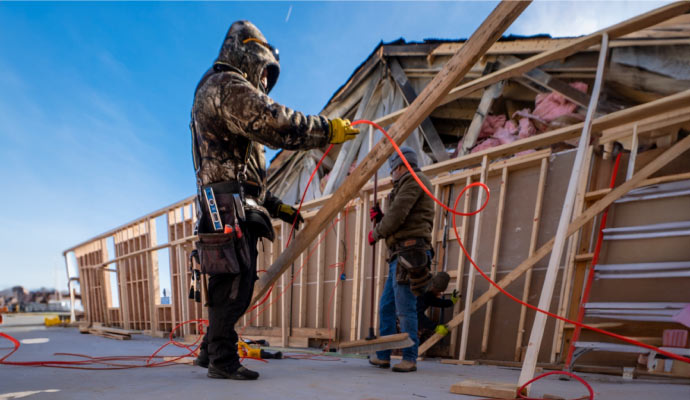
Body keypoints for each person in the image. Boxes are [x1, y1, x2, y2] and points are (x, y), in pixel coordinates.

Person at [190, 20, 359, 380]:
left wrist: (278, 207)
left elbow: (241, 176)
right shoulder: (226, 85)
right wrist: (326, 130)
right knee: (235, 284)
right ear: (247, 55)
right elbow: (275, 122)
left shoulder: (221, 90)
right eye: (264, 74)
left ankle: (209, 350)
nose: (264, 83)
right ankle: (222, 360)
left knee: (227, 280)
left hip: (226, 201)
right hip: (225, 205)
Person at [367, 146, 435, 372]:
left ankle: (409, 358)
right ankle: (384, 355)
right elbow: (398, 216)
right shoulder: (407, 183)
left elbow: (397, 216)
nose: (392, 173)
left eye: (393, 169)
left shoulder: (414, 180)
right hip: (399, 255)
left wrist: (376, 232)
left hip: (410, 253)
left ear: (402, 166)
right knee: (387, 307)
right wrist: (381, 218)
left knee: (405, 309)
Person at [416, 271, 459, 338]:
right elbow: (417, 315)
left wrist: (451, 302)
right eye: (439, 291)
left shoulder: (429, 292)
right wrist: (435, 327)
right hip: (401, 317)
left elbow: (436, 302)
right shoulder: (421, 293)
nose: (440, 294)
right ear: (434, 288)